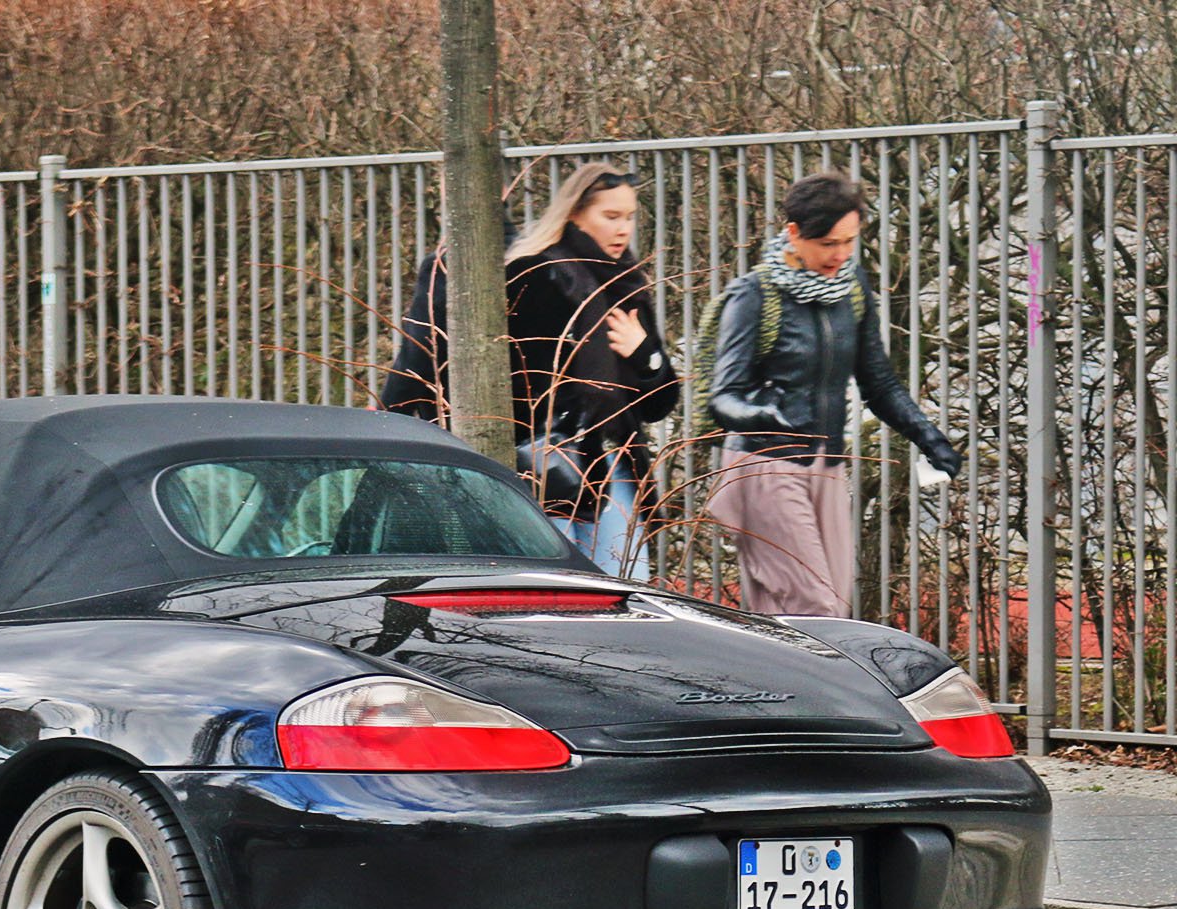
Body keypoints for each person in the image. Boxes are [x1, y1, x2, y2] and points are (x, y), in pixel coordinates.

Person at [381, 162, 679, 578]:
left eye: (629, 217)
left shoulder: (626, 286)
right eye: (611, 216)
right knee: (556, 588)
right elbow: (500, 381)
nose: (623, 229)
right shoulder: (536, 274)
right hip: (544, 467)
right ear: (575, 213)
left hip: (615, 464)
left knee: (626, 586)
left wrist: (645, 354)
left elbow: (659, 404)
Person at [705, 169, 965, 617]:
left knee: (822, 612)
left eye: (849, 242)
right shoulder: (754, 295)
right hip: (765, 465)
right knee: (814, 607)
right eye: (828, 243)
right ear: (794, 233)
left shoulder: (852, 288)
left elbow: (878, 382)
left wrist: (929, 436)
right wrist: (759, 414)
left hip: (827, 465)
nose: (840, 255)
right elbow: (723, 397)